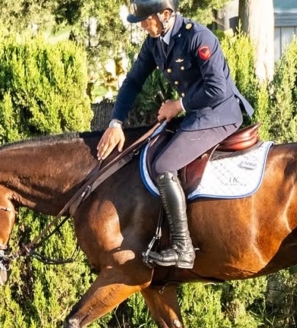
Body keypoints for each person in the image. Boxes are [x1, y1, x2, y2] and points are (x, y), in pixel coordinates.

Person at [96, 0, 254, 270]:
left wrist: (178, 105)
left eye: (146, 20)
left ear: (166, 15)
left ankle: (183, 248)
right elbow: (133, 81)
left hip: (220, 114)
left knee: (164, 164)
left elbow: (218, 90)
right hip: (196, 114)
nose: (143, 26)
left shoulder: (198, 37)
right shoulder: (155, 42)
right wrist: (115, 122)